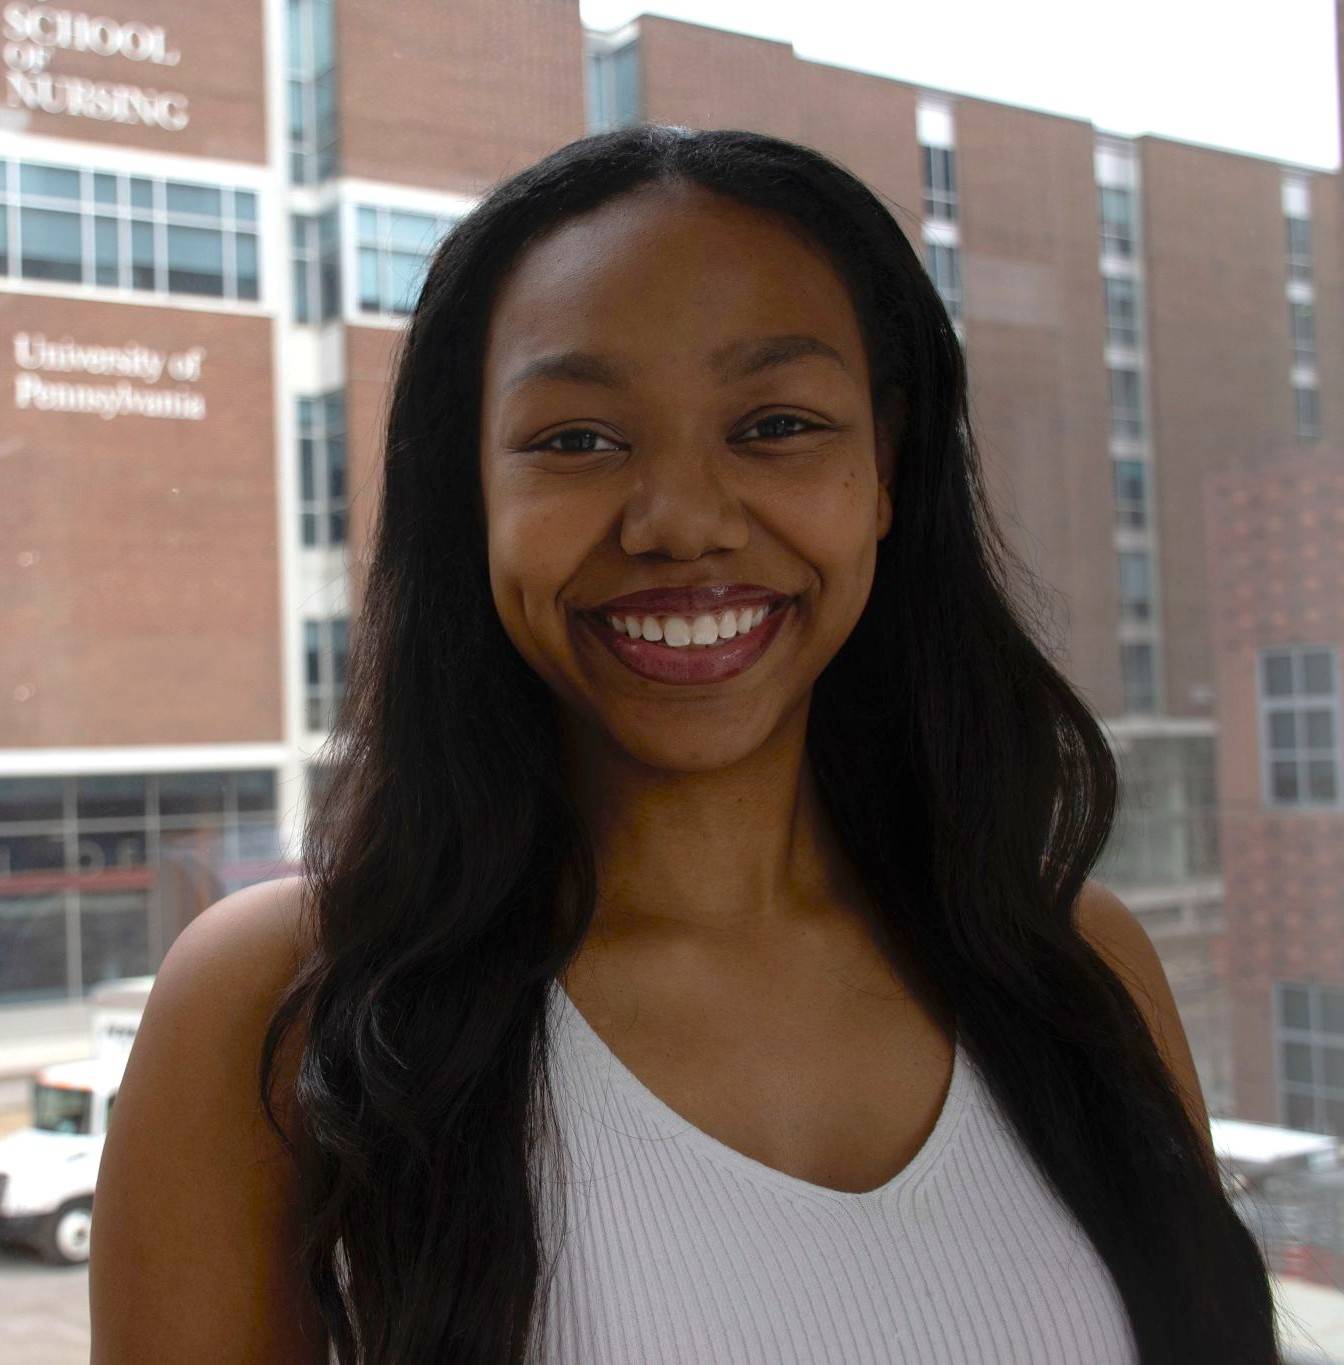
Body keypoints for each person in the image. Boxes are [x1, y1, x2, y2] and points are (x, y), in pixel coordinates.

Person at [88, 125, 1282, 1364]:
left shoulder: (1078, 965)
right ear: (472, 497)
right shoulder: (278, 1002)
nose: (681, 524)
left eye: (774, 425)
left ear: (887, 470)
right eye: (577, 440)